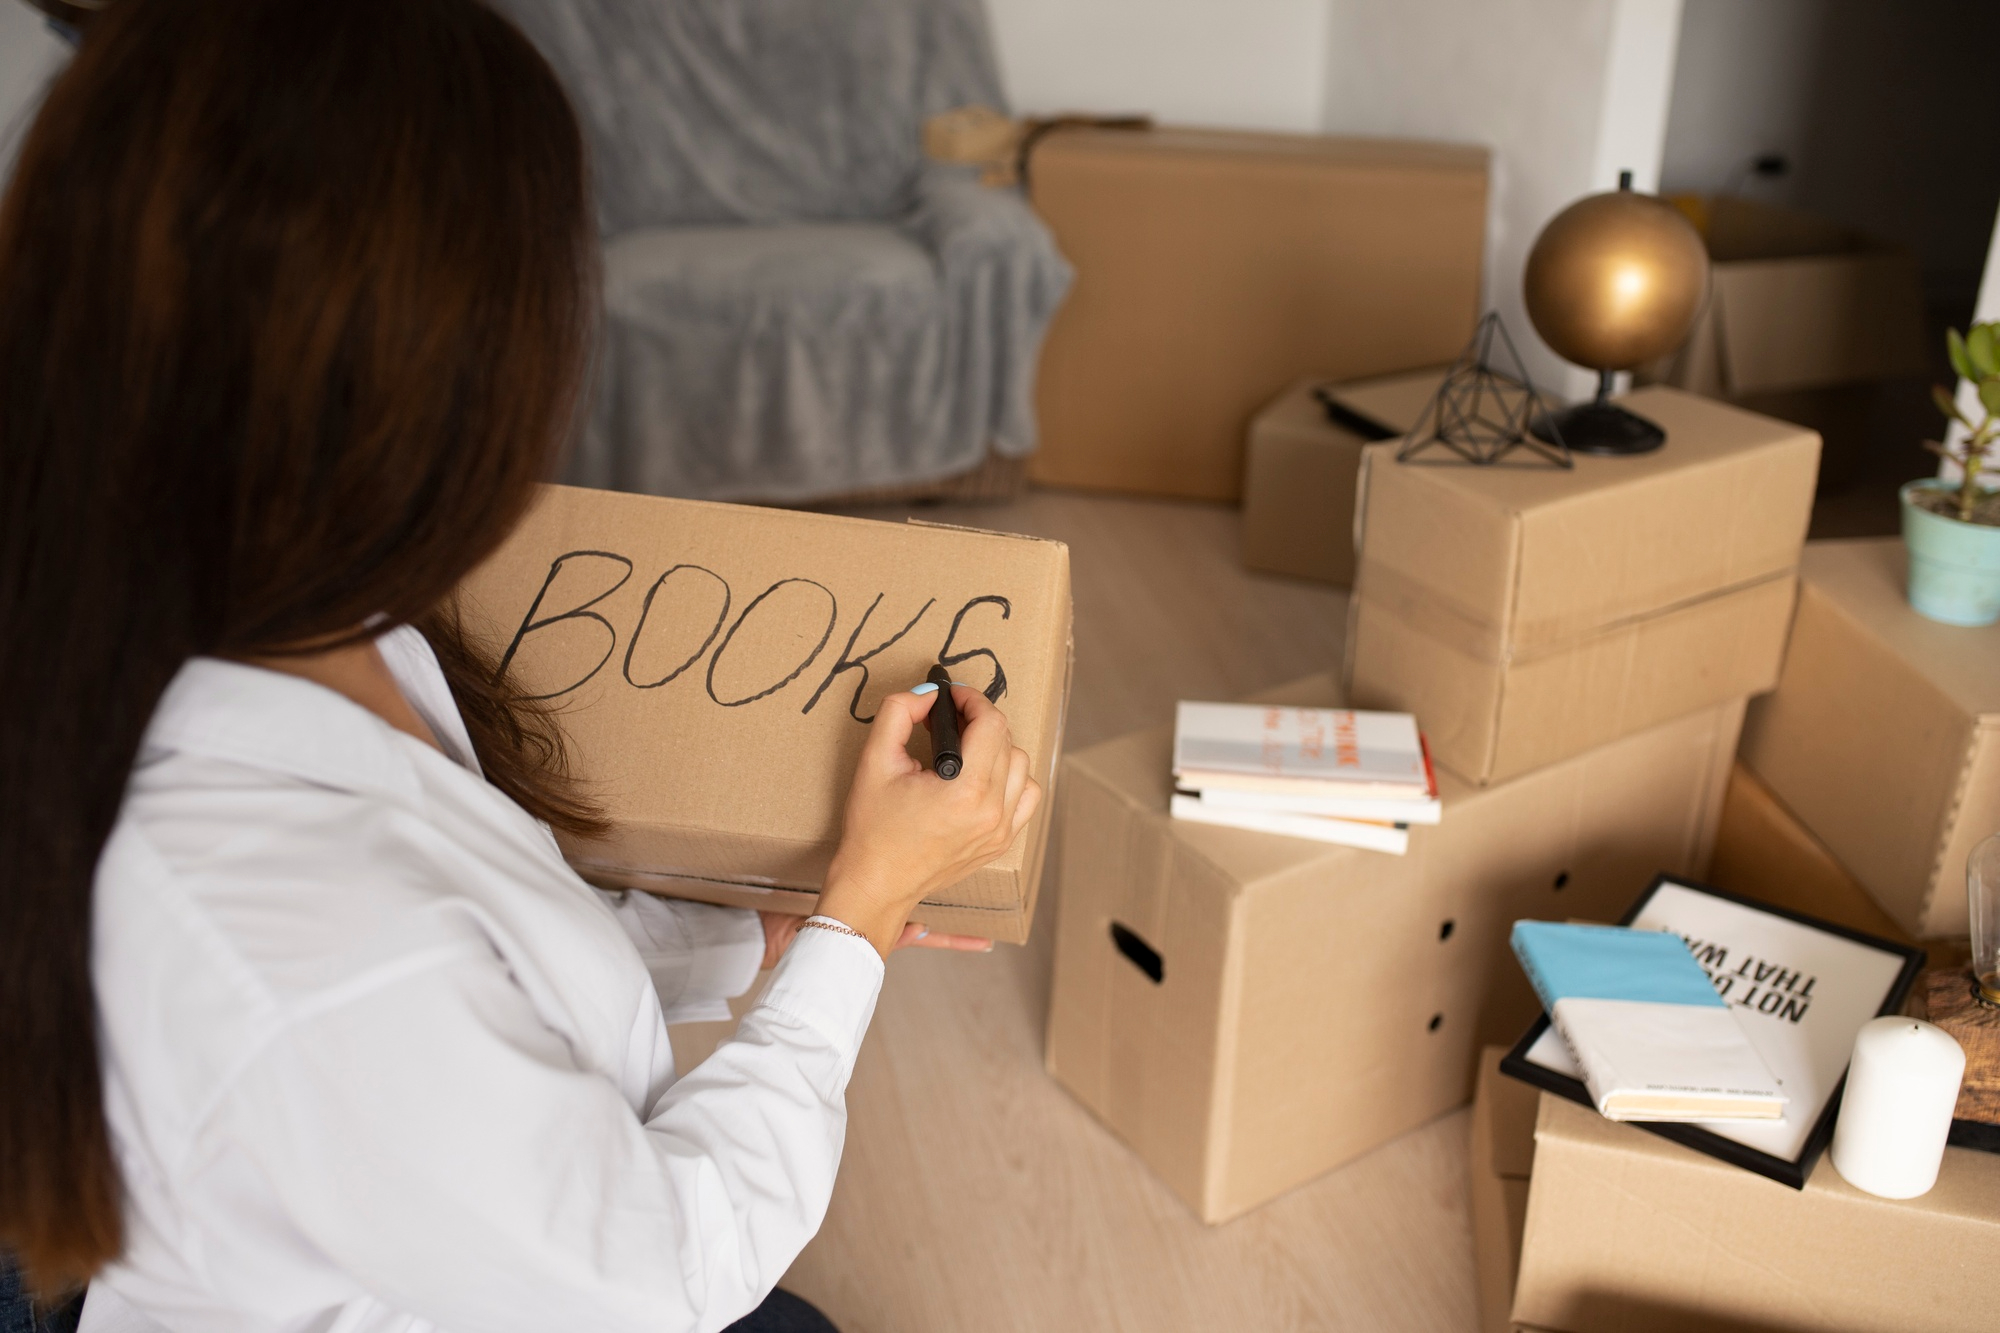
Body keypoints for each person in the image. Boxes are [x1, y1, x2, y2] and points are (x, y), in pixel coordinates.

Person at [0, 2, 1040, 1331]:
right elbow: (665, 1271)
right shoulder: (304, 930)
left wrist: (775, 924)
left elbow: (487, 953)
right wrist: (858, 926)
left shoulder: (284, 612)